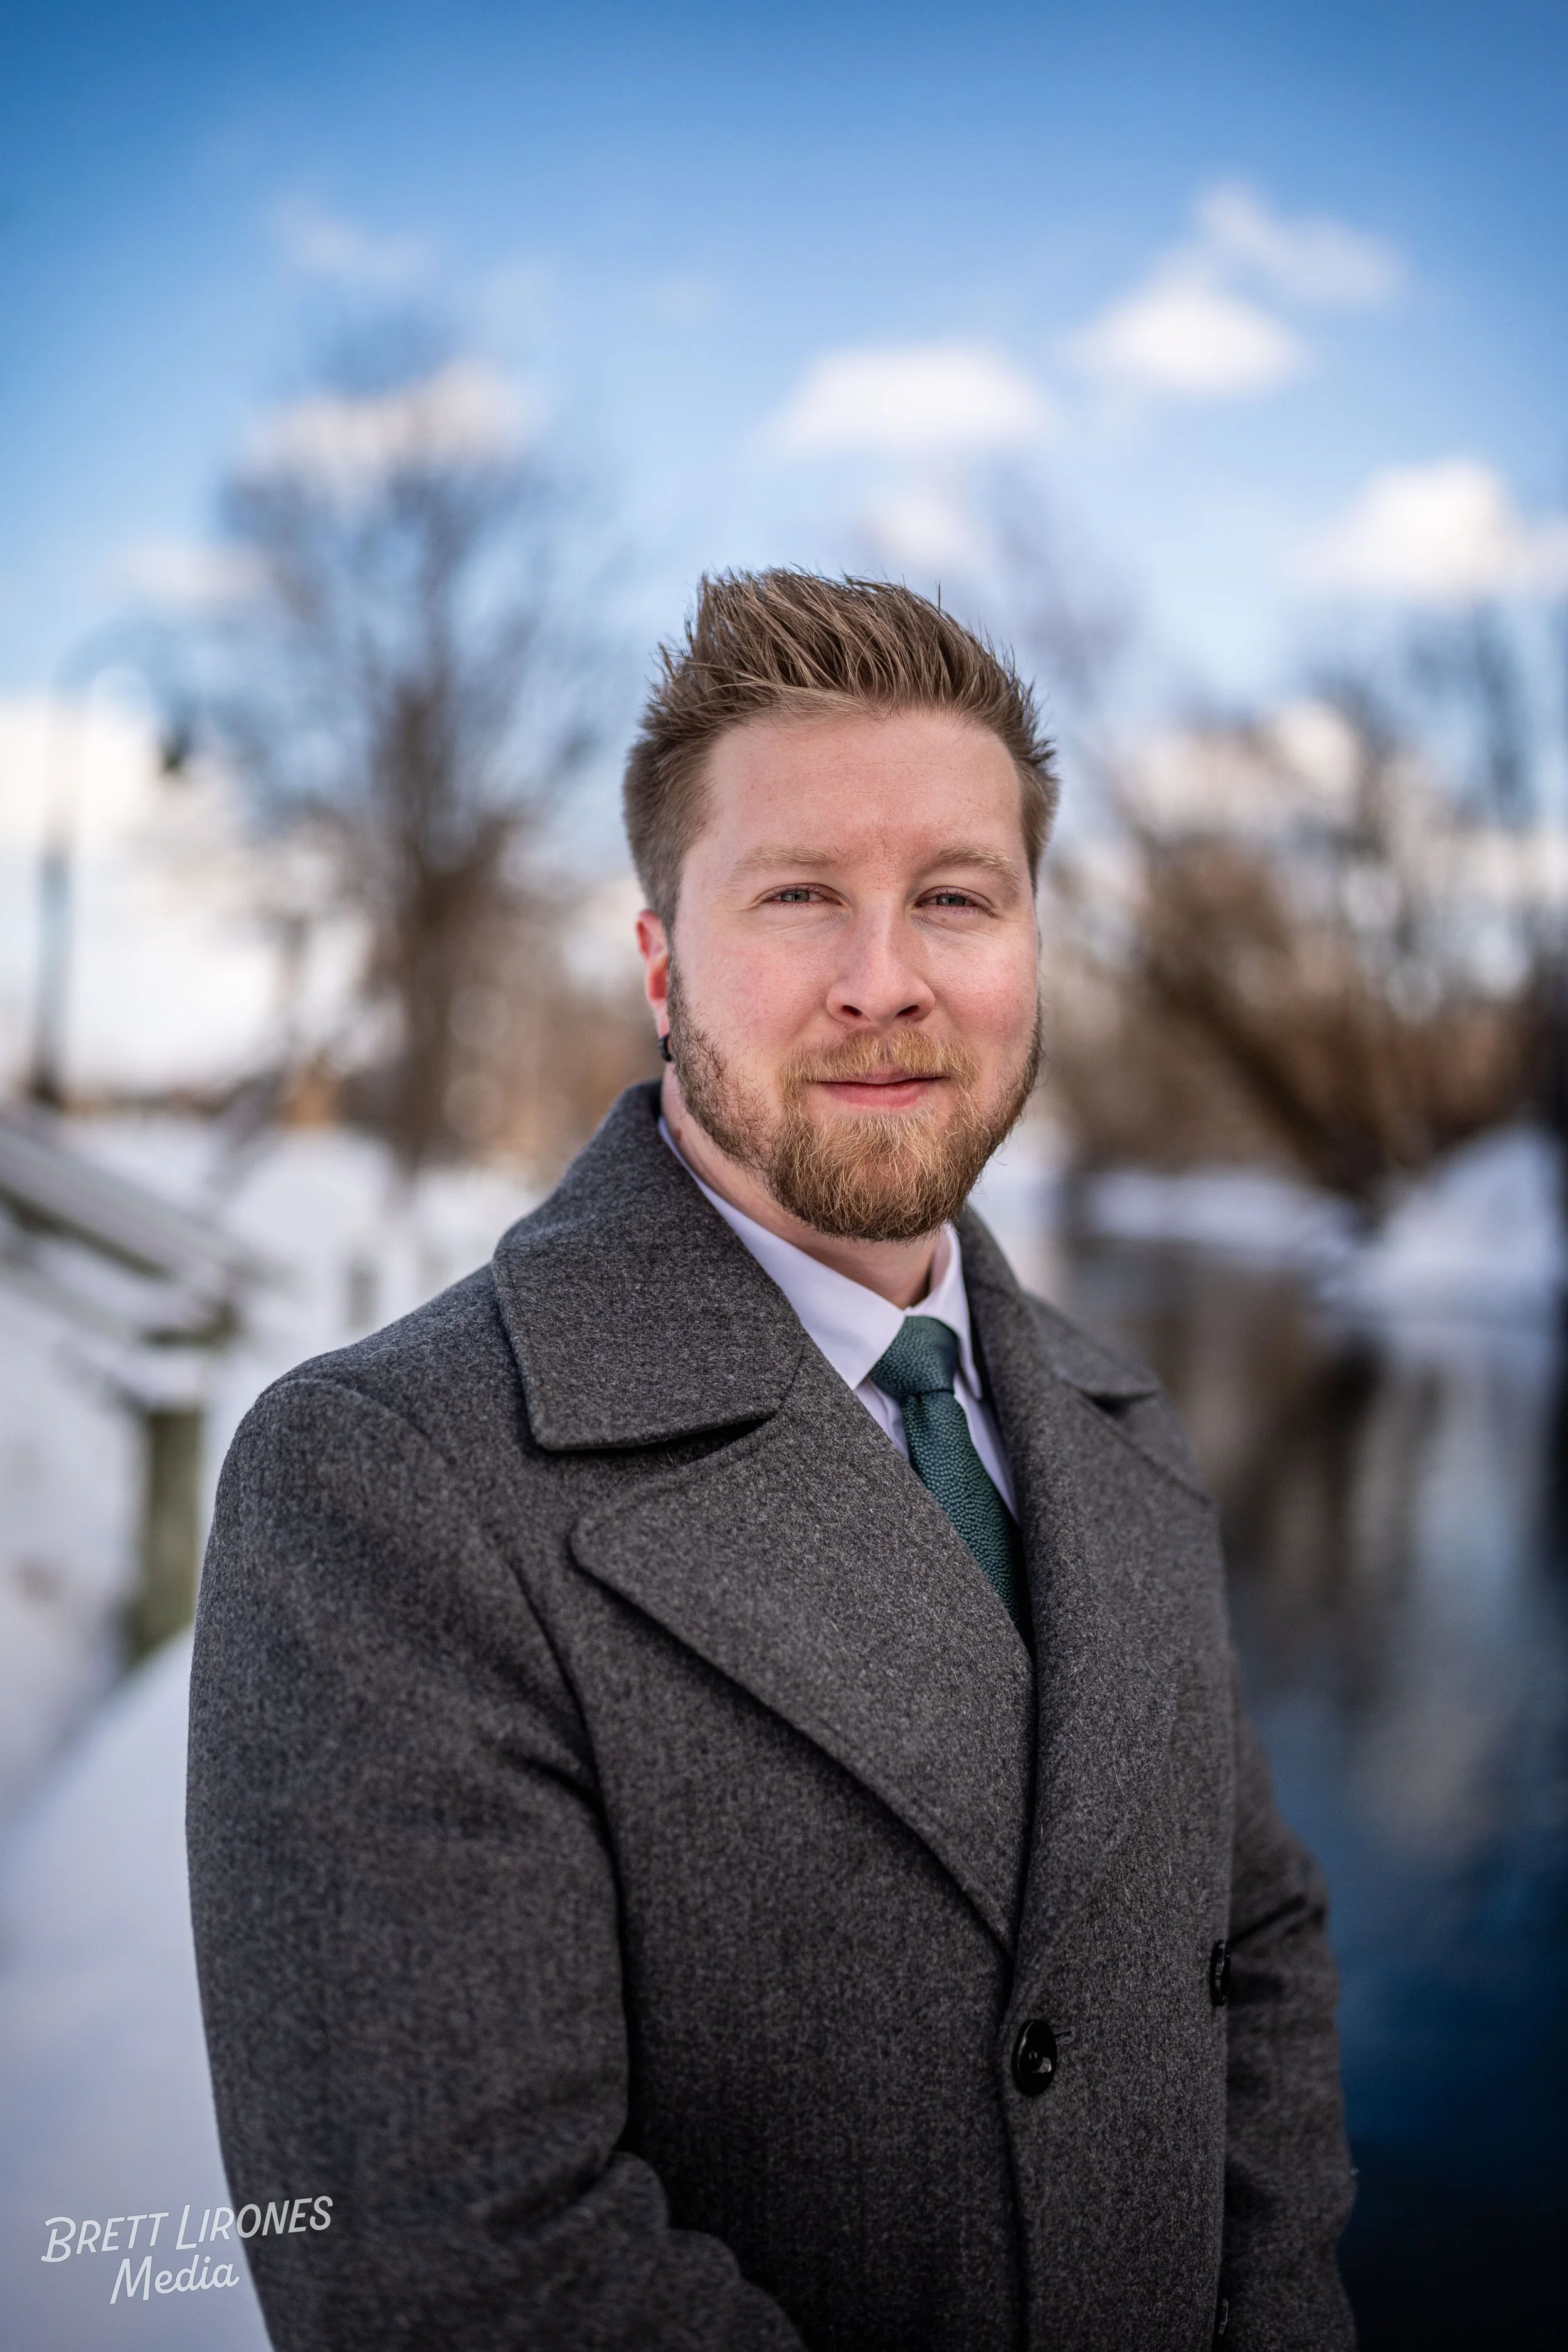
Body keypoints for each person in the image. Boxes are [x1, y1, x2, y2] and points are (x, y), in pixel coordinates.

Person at [188, 571, 1356, 2352]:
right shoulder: (382, 1484)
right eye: (799, 896)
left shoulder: (1117, 1421)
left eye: (952, 897)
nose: (882, 982)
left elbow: (1251, 1948)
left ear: (1029, 943)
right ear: (662, 965)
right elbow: (449, 2274)